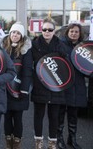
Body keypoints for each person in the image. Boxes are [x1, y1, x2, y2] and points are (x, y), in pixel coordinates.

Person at [31, 18, 67, 149]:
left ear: (54, 31)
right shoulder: (34, 44)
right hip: (40, 84)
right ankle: (38, 143)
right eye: (44, 29)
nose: (47, 32)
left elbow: (66, 68)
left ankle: (52, 143)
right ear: (41, 31)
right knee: (38, 116)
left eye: (50, 30)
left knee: (54, 117)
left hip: (56, 86)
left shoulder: (61, 46)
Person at [0, 22, 33, 149]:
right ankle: (9, 144)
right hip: (5, 90)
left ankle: (17, 144)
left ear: (22, 36)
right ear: (10, 33)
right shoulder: (3, 48)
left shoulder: (26, 50)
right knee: (7, 118)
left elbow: (27, 71)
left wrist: (24, 90)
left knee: (18, 119)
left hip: (19, 90)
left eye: (18, 33)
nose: (15, 35)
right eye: (13, 32)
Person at [57, 23, 87, 149]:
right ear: (67, 33)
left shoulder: (85, 48)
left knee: (73, 114)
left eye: (76, 32)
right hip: (64, 84)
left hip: (78, 85)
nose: (74, 33)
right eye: (72, 31)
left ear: (80, 34)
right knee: (60, 114)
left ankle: (72, 139)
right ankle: (59, 139)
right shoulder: (61, 45)